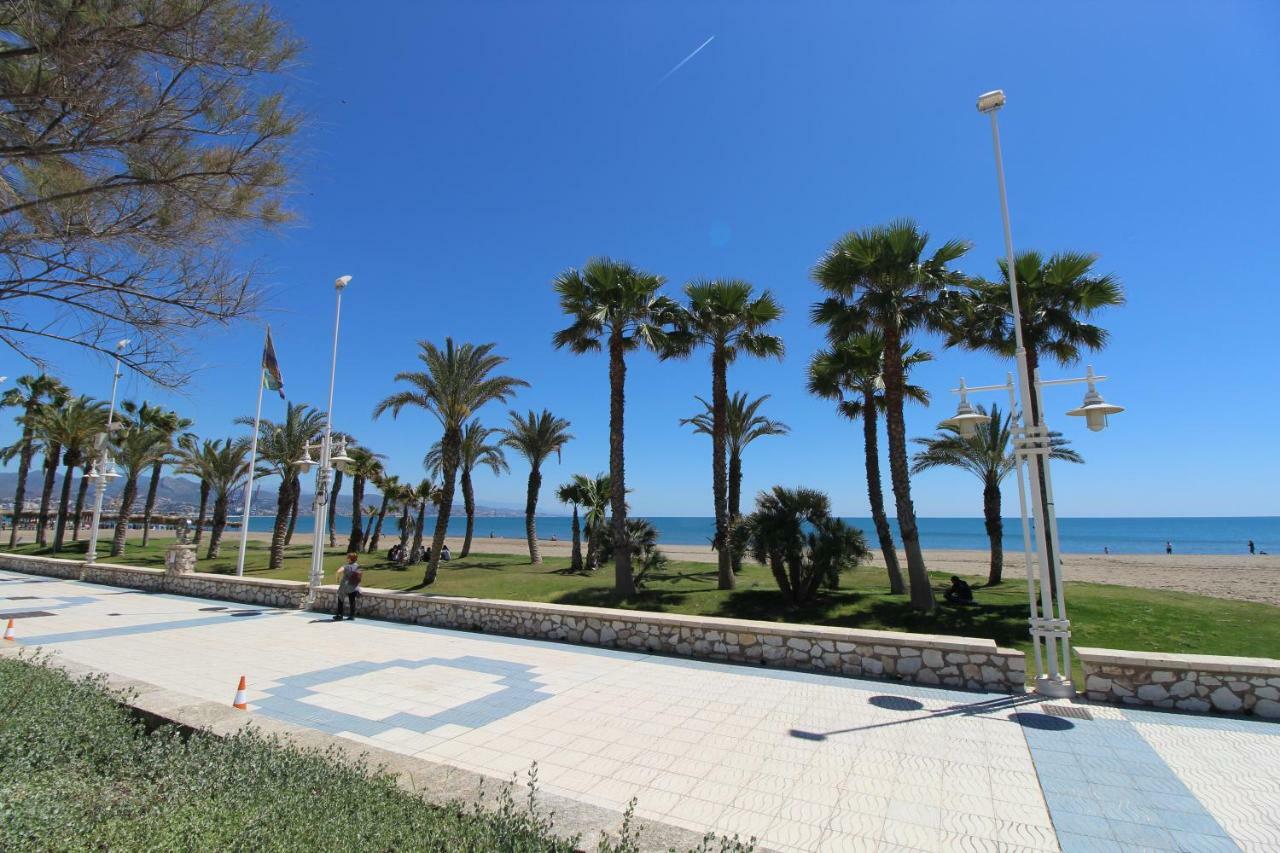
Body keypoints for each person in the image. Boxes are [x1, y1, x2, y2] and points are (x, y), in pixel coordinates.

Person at [333, 552, 362, 621]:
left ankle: (340, 615)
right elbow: (359, 576)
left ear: (350, 559)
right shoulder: (358, 566)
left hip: (345, 586)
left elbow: (338, 571)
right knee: (352, 601)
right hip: (354, 586)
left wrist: (337, 578)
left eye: (348, 557)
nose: (347, 558)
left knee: (341, 599)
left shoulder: (346, 566)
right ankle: (352, 616)